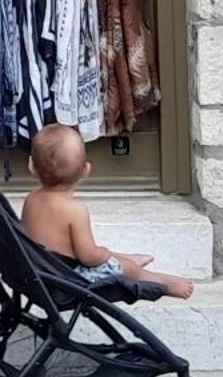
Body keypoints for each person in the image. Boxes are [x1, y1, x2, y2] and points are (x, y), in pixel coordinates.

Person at [21, 123, 195, 299]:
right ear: (86, 170)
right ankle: (161, 284)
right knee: (125, 269)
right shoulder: (75, 210)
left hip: (40, 274)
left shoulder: (31, 199)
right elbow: (88, 256)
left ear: (31, 166)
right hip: (68, 282)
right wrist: (104, 253)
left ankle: (126, 259)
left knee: (112, 259)